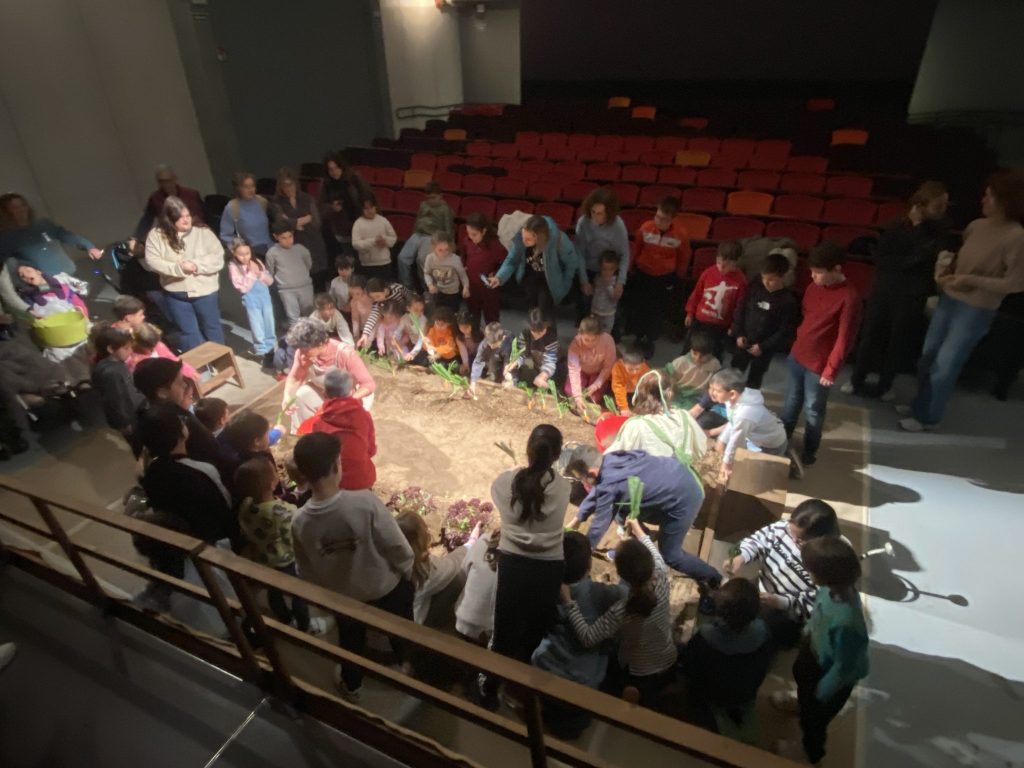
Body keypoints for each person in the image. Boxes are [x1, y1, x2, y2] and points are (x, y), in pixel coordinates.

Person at [291, 432, 414, 700]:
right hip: (385, 587)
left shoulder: (299, 521)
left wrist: (325, 596)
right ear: (337, 466)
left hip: (343, 597)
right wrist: (406, 571)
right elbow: (398, 547)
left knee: (350, 641)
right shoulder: (364, 502)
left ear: (302, 473)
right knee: (401, 628)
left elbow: (305, 569)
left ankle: (353, 686)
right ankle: (406, 664)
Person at [900, 172, 1024, 432]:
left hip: (976, 309)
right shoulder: (976, 226)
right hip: (950, 299)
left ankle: (928, 417)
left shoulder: (1015, 236)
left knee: (946, 364)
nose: (983, 200)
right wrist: (947, 271)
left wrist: (971, 280)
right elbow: (961, 260)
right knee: (927, 356)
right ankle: (920, 404)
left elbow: (1015, 283)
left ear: (1005, 200)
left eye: (989, 196)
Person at [479, 424, 569, 708]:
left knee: (504, 631)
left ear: (528, 450)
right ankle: (518, 690)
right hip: (548, 567)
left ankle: (490, 690)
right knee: (535, 631)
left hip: (513, 564)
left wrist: (516, 471)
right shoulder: (563, 487)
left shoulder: (506, 483)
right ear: (556, 456)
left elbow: (500, 487)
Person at [844, 182, 953, 400]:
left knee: (898, 340)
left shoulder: (939, 228)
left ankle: (886, 384)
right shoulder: (895, 226)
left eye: (944, 206)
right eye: (938, 206)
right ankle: (857, 379)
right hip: (885, 287)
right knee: (871, 335)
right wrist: (914, 259)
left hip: (913, 292)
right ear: (921, 205)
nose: (942, 210)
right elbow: (883, 259)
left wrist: (919, 234)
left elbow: (930, 255)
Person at [772, 537, 868, 765]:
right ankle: (801, 700)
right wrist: (807, 634)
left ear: (825, 574)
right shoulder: (827, 590)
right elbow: (818, 613)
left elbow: (845, 667)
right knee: (802, 679)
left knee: (814, 721)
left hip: (831, 679)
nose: (807, 572)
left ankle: (809, 753)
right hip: (815, 651)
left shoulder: (848, 622)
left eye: (810, 569)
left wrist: (821, 694)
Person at [567, 446, 720, 587]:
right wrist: (576, 521)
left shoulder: (609, 486)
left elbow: (598, 526)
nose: (583, 483)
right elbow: (599, 491)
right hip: (681, 476)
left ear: (592, 473)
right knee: (621, 511)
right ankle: (639, 544)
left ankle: (715, 578)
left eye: (582, 479)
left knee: (671, 555)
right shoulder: (611, 459)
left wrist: (581, 557)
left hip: (684, 498)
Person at [563, 518, 676, 707]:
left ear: (621, 575)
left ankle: (631, 694)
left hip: (638, 673)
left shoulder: (623, 609)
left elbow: (588, 637)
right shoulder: (661, 572)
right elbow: (651, 550)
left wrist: (569, 602)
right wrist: (638, 530)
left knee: (610, 657)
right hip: (669, 660)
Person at [532, 531, 627, 737]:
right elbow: (628, 593)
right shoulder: (599, 593)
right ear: (588, 565)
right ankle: (572, 723)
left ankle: (551, 713)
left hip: (544, 668)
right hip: (582, 683)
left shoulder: (543, 585)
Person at [782, 242, 860, 474]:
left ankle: (809, 451)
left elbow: (845, 339)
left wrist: (831, 369)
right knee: (791, 403)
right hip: (798, 355)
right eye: (812, 272)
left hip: (819, 367)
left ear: (836, 269)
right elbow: (806, 316)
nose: (813, 276)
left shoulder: (849, 297)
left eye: (818, 272)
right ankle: (781, 441)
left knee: (813, 410)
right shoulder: (812, 288)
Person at [724, 498, 841, 649]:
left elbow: (816, 603)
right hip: (762, 587)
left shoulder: (830, 562)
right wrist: (741, 557)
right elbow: (758, 541)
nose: (793, 541)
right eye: (791, 533)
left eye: (800, 541)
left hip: (789, 612)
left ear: (821, 540)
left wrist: (783, 602)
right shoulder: (784, 528)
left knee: (760, 639)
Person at [679, 578, 773, 743]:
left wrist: (681, 643)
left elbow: (689, 666)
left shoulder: (705, 638)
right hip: (745, 693)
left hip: (712, 694)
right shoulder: (763, 632)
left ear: (720, 610)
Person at [234, 457, 321, 634]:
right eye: (274, 472)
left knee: (274, 591)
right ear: (272, 484)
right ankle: (305, 625)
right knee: (298, 593)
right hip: (287, 561)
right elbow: (295, 536)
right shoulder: (285, 512)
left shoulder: (245, 506)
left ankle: (285, 618)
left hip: (263, 559)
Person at [137, 401, 236, 545]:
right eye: (182, 422)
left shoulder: (151, 473)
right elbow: (225, 503)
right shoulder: (202, 470)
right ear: (182, 432)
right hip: (215, 538)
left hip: (184, 540)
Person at [144, 195, 225, 350]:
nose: (186, 220)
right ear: (169, 219)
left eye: (188, 216)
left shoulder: (203, 232)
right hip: (176, 294)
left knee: (212, 327)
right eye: (181, 218)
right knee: (188, 332)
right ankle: (200, 362)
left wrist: (196, 265)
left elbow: (218, 258)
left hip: (205, 292)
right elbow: (153, 261)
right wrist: (178, 269)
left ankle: (221, 358)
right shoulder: (156, 235)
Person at [132, 358, 228, 478]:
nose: (185, 384)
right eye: (179, 382)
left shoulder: (146, 414)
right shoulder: (173, 423)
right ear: (162, 393)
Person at [488, 215, 587, 324]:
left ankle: (549, 333)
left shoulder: (559, 240)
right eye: (523, 237)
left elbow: (572, 263)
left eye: (528, 239)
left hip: (549, 281)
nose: (524, 241)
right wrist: (499, 277)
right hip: (529, 278)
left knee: (545, 314)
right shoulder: (521, 237)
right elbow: (512, 260)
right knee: (532, 311)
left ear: (539, 237)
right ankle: (534, 332)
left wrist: (565, 284)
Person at [282, 318, 375, 431]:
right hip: (323, 392)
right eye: (300, 349)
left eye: (305, 350)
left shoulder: (345, 353)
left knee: (344, 428)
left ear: (321, 344)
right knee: (301, 395)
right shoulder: (303, 354)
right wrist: (287, 396)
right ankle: (304, 434)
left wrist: (344, 402)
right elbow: (295, 378)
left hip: (349, 396)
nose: (301, 353)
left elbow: (368, 385)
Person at [628, 196, 691, 356]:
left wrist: (677, 278)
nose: (658, 221)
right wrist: (632, 268)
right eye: (657, 216)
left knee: (656, 312)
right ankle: (638, 337)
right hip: (643, 274)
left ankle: (650, 340)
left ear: (672, 219)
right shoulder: (646, 228)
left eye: (663, 219)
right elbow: (637, 249)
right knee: (639, 307)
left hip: (664, 278)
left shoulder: (680, 235)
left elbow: (683, 259)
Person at [605, 371, 707, 464]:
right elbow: (701, 448)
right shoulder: (684, 417)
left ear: (641, 394)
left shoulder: (636, 426)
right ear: (669, 394)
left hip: (650, 477)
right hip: (682, 475)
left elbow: (612, 458)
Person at [730, 251, 799, 390]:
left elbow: (784, 330)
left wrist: (763, 346)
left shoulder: (788, 301)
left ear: (783, 277)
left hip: (764, 349)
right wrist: (739, 333)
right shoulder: (754, 289)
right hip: (744, 341)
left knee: (755, 379)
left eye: (771, 279)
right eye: (763, 278)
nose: (766, 282)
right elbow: (740, 311)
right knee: (733, 376)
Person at [707, 368, 789, 483]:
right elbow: (733, 421)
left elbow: (736, 441)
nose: (711, 393)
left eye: (716, 391)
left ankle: (783, 462)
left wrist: (726, 464)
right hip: (756, 437)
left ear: (732, 394)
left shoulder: (746, 413)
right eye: (711, 388)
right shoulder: (736, 397)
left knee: (753, 476)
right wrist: (722, 440)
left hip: (770, 446)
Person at [301, 368, 377, 491]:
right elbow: (371, 450)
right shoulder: (364, 416)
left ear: (325, 394)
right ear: (352, 392)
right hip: (363, 479)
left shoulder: (318, 424)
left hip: (334, 484)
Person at [396, 511, 477, 625]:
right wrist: (471, 544)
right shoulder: (424, 568)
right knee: (459, 577)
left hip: (387, 616)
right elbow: (453, 565)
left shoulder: (379, 555)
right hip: (411, 623)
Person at [0, 192, 102, 277]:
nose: (21, 210)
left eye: (23, 205)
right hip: (47, 284)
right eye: (15, 208)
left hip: (70, 273)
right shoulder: (6, 238)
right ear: (6, 212)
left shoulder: (43, 224)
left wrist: (88, 246)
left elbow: (67, 235)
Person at [684, 240, 747, 360]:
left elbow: (740, 308)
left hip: (720, 326)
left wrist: (734, 326)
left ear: (736, 262)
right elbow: (696, 294)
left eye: (726, 265)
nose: (721, 268)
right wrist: (690, 312)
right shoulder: (708, 272)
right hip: (700, 321)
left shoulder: (740, 281)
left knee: (714, 356)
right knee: (689, 351)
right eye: (718, 263)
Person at [574, 188, 629, 324]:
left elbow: (624, 254)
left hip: (609, 270)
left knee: (611, 308)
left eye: (599, 213)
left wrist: (620, 282)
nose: (595, 217)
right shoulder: (583, 222)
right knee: (585, 305)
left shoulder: (618, 225)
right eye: (593, 212)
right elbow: (579, 253)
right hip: (589, 268)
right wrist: (584, 281)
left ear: (608, 213)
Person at [270, 167, 329, 290]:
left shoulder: (307, 198)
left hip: (313, 242)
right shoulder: (276, 202)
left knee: (319, 281)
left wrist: (293, 222)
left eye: (290, 185)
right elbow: (282, 223)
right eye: (285, 186)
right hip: (294, 244)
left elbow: (316, 222)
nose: (288, 189)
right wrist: (303, 220)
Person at [90, 323, 145, 438]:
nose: (130, 351)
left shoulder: (105, 365)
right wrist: (124, 423)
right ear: (110, 349)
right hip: (129, 417)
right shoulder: (113, 372)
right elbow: (116, 399)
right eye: (126, 348)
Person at [227, 239, 276, 365]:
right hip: (251, 301)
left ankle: (270, 351)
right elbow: (242, 288)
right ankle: (262, 351)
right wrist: (251, 273)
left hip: (265, 298)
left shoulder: (257, 262)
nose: (245, 257)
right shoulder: (234, 266)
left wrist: (259, 273)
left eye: (247, 253)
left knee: (269, 324)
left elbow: (270, 281)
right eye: (241, 254)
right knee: (257, 326)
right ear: (233, 252)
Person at [398, 181, 454, 287]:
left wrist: (449, 245)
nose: (430, 201)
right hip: (418, 234)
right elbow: (418, 220)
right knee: (402, 257)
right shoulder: (423, 205)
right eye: (428, 198)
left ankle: (427, 287)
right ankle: (406, 285)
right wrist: (413, 233)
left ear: (440, 196)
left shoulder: (445, 209)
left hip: (432, 236)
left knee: (422, 259)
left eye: (433, 198)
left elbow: (449, 229)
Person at [318, 151, 373, 257]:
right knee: (348, 257)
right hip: (340, 228)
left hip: (359, 224)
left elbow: (367, 197)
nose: (334, 172)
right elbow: (320, 206)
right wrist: (332, 207)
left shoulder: (354, 178)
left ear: (341, 166)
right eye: (330, 169)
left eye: (336, 168)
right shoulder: (325, 184)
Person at [460, 212, 505, 326]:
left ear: (484, 231)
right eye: (468, 233)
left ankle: (493, 337)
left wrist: (495, 274)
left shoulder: (494, 244)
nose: (471, 237)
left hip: (488, 287)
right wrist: (463, 265)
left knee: (491, 317)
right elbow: (463, 256)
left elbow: (505, 263)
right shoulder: (467, 241)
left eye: (474, 234)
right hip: (472, 285)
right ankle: (475, 335)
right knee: (473, 316)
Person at [455, 530, 500, 644]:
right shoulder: (529, 559)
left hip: (462, 622)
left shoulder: (484, 540)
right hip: (491, 635)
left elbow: (462, 576)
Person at [136, 164, 206, 239]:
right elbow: (147, 219)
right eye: (162, 181)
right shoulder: (155, 198)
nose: (166, 184)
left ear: (175, 179)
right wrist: (136, 237)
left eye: (168, 180)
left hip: (195, 233)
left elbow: (205, 215)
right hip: (172, 237)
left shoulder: (191, 194)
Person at [267, 221, 314, 326]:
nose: (288, 240)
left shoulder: (301, 249)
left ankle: (311, 335)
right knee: (293, 318)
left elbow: (308, 265)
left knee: (309, 315)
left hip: (305, 287)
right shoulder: (272, 253)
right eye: (283, 238)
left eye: (290, 236)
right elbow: (270, 271)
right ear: (276, 237)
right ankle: (296, 336)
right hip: (286, 290)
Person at [127, 322, 201, 389]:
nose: (153, 350)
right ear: (138, 344)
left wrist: (189, 371)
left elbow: (173, 360)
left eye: (154, 346)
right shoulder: (134, 360)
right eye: (149, 348)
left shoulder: (159, 346)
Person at [566, 316, 616, 411]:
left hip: (599, 373)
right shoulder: (575, 345)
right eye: (586, 340)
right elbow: (574, 370)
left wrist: (596, 384)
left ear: (600, 335)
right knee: (570, 392)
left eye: (594, 340)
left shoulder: (608, 341)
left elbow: (608, 366)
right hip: (582, 371)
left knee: (594, 398)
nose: (590, 343)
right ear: (580, 334)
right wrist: (577, 396)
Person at [664, 330, 722, 411]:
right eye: (695, 353)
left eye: (702, 356)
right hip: (677, 392)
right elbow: (666, 375)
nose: (697, 358)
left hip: (696, 397)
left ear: (710, 353)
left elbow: (716, 383)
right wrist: (669, 388)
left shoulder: (715, 364)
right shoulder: (681, 361)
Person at [219, 172, 272, 256]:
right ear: (238, 189)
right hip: (250, 253)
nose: (250, 190)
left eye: (252, 186)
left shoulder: (262, 202)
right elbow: (225, 235)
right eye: (246, 187)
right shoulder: (233, 207)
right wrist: (240, 248)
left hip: (270, 248)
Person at [507, 308, 561, 389]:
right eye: (533, 331)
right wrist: (515, 363)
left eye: (541, 331)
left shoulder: (551, 338)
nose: (537, 335)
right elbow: (522, 353)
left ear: (546, 325)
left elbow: (550, 361)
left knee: (550, 386)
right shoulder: (525, 333)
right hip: (537, 366)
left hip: (552, 369)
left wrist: (543, 375)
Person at [351, 198, 396, 282]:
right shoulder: (358, 223)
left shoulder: (383, 220)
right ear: (362, 210)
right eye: (366, 209)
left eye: (371, 208)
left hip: (384, 262)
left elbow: (393, 238)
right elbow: (355, 244)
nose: (369, 211)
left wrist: (385, 241)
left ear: (375, 207)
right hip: (367, 264)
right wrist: (373, 241)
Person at [423, 232, 470, 311]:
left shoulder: (455, 259)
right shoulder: (430, 258)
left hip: (453, 293)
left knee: (452, 314)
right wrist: (430, 285)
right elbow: (427, 273)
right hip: (438, 292)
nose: (444, 253)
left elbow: (463, 275)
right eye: (440, 250)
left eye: (447, 249)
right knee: (439, 313)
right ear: (434, 248)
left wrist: (466, 287)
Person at [357, 278, 410, 348]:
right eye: (373, 298)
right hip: (395, 319)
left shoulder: (398, 289)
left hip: (407, 312)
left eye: (377, 296)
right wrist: (365, 334)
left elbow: (410, 297)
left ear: (384, 290)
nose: (376, 299)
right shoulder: (377, 302)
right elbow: (372, 317)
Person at [469, 322, 513, 393]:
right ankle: (494, 375)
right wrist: (473, 383)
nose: (492, 347)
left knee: (509, 385)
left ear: (503, 338)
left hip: (507, 364)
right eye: (490, 344)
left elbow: (511, 361)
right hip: (494, 361)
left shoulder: (509, 343)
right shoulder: (484, 345)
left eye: (494, 344)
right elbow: (478, 362)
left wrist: (508, 378)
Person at [424, 306, 469, 371]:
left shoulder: (450, 332)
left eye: (442, 324)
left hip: (451, 358)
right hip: (438, 357)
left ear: (448, 324)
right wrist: (429, 346)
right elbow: (429, 341)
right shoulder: (432, 330)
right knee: (428, 362)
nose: (439, 326)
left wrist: (437, 351)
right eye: (437, 323)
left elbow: (449, 347)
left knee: (454, 366)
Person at [610, 341, 650, 415]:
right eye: (630, 369)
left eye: (637, 369)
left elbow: (648, 385)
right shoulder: (617, 368)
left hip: (636, 390)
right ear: (622, 363)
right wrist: (623, 408)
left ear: (643, 363)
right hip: (621, 391)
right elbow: (618, 388)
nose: (634, 372)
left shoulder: (645, 369)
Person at [591, 250, 622, 336]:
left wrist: (609, 286)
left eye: (611, 269)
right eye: (604, 269)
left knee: (606, 333)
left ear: (615, 269)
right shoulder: (598, 278)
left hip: (608, 313)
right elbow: (595, 291)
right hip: (596, 310)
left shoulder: (615, 281)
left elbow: (614, 297)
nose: (607, 272)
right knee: (594, 331)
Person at [395, 293, 427, 363]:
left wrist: (412, 353)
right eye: (416, 310)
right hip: (412, 344)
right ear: (408, 308)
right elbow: (398, 331)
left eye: (422, 310)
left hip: (422, 348)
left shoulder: (423, 320)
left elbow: (421, 340)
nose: (419, 313)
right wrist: (394, 338)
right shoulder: (405, 318)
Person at [348, 274, 372, 340]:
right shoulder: (353, 302)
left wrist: (370, 337)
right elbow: (355, 320)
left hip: (377, 329)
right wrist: (356, 335)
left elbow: (377, 319)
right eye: (352, 294)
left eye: (357, 293)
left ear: (364, 290)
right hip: (364, 330)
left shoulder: (371, 298)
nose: (355, 297)